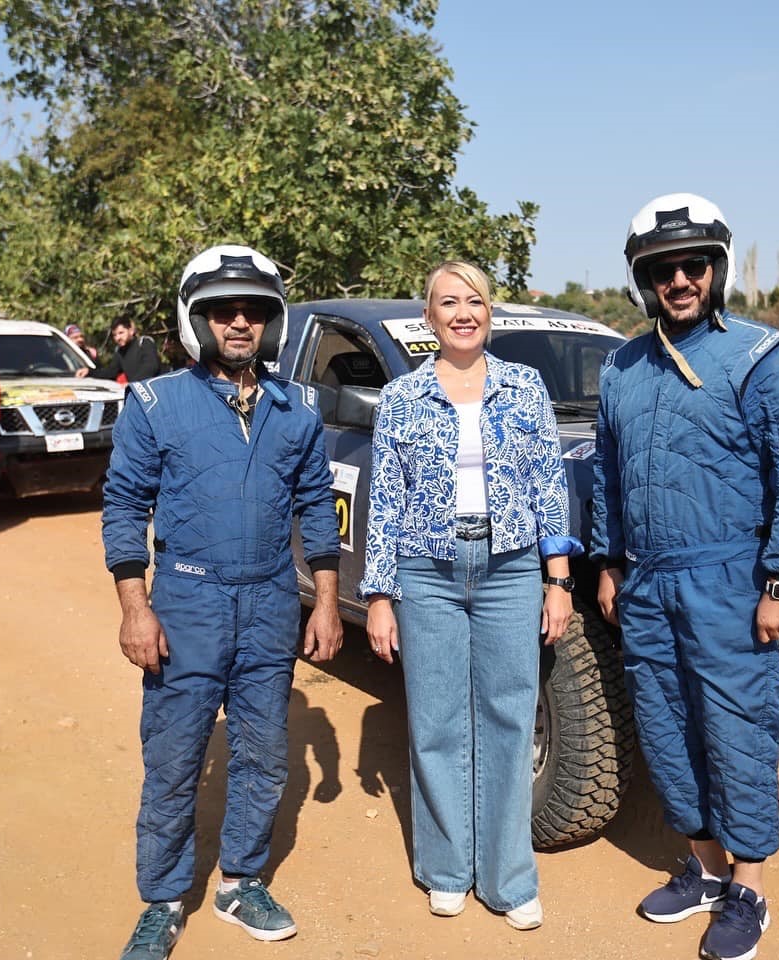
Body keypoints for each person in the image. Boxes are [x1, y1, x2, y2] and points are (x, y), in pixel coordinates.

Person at [592, 194, 779, 960]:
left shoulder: (766, 358)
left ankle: (749, 889)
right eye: (662, 270)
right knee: (667, 729)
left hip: (730, 581)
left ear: (717, 268)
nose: (679, 280)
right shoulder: (623, 367)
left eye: (693, 265)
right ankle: (702, 871)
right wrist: (608, 560)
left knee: (736, 731)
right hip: (648, 585)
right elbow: (608, 474)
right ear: (644, 280)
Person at [103, 244, 343, 959]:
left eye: (254, 311)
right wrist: (135, 607)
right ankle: (164, 898)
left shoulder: (296, 407)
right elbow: (123, 505)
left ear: (273, 322)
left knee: (266, 756)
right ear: (196, 318)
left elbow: (316, 509)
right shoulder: (155, 402)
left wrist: (325, 603)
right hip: (187, 601)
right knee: (174, 758)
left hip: (270, 601)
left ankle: (241, 881)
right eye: (222, 311)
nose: (239, 323)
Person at [361, 261, 581, 931]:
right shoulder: (401, 397)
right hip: (426, 571)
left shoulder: (525, 387)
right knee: (436, 723)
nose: (463, 312)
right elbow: (386, 500)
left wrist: (558, 579)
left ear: (491, 313)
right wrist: (379, 594)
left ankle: (511, 879)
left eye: (475, 301)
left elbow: (549, 485)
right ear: (429, 319)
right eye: (448, 302)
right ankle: (447, 870)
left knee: (510, 720)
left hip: (510, 569)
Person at [78, 317, 160, 382]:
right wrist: (89, 372)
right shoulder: (120, 352)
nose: (118, 338)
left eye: (121, 333)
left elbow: (151, 366)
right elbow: (111, 372)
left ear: (131, 331)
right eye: (114, 335)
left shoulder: (144, 343)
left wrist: (133, 384)